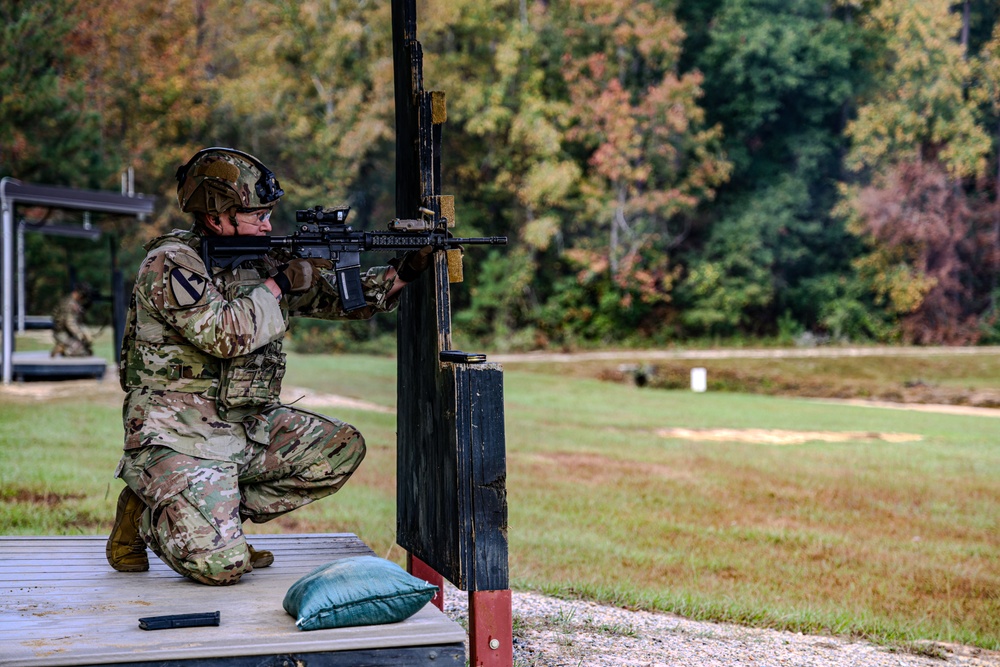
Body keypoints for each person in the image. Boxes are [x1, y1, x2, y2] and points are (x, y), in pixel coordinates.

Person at [106, 147, 432, 585]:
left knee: (340, 448)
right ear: (216, 217)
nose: (267, 225)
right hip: (178, 433)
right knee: (223, 568)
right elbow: (224, 333)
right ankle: (154, 513)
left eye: (267, 214)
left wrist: (405, 271)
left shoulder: (259, 258)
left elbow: (337, 297)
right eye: (255, 215)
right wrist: (279, 284)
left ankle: (208, 514)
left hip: (242, 425)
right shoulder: (170, 262)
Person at [51, 284, 94, 357]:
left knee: (86, 348)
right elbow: (70, 323)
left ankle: (65, 347)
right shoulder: (71, 304)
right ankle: (64, 349)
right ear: (80, 295)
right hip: (62, 333)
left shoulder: (69, 300)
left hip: (64, 332)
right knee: (83, 352)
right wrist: (81, 335)